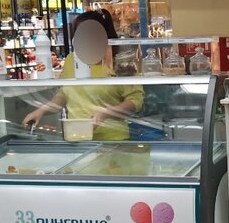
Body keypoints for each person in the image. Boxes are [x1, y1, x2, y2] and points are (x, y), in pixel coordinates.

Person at [22, 10, 144, 141]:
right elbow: (64, 95)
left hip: (112, 140)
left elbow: (136, 101)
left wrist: (106, 113)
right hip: (77, 138)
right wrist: (41, 110)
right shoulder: (71, 60)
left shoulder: (120, 63)